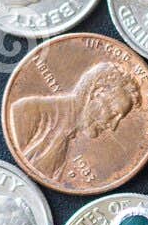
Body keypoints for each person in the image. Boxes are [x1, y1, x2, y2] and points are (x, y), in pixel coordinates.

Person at [8, 61, 139, 181]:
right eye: (114, 113)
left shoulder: (67, 141)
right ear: (97, 94)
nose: (113, 126)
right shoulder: (26, 112)